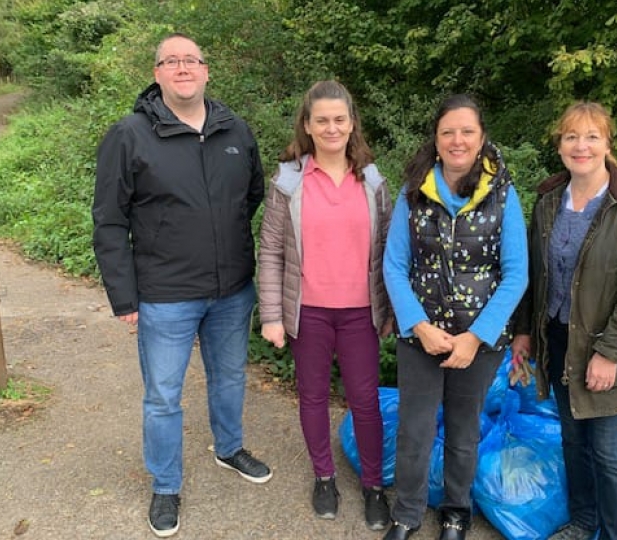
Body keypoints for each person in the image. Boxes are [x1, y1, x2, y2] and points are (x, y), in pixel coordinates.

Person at [92, 33, 270, 538]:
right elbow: (108, 220)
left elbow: (250, 195)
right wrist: (124, 296)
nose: (182, 68)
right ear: (157, 74)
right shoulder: (129, 135)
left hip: (232, 290)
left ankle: (229, 447)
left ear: (206, 70)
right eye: (171, 61)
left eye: (191, 60)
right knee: (163, 397)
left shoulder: (235, 129)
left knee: (230, 377)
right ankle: (166, 485)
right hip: (164, 295)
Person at [511, 101, 617, 540]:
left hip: (607, 348)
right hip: (558, 340)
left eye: (592, 137)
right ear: (559, 144)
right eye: (572, 136)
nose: (581, 146)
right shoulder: (548, 200)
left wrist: (609, 354)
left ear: (607, 145)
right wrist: (524, 331)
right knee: (573, 441)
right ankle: (582, 522)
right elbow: (534, 274)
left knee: (609, 453)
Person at [382, 94, 528, 540]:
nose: (457, 140)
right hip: (420, 337)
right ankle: (405, 514)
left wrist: (475, 337)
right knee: (414, 430)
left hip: (478, 342)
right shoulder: (414, 192)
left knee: (465, 431)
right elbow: (393, 265)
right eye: (448, 131)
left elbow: (517, 273)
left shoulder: (503, 196)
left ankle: (456, 512)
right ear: (436, 138)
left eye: (467, 131)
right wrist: (419, 326)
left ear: (482, 138)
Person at [257, 80, 392, 530]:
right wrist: (272, 315)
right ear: (308, 126)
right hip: (307, 312)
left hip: (360, 314)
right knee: (312, 397)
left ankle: (373, 486)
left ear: (352, 124)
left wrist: (392, 309)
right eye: (322, 121)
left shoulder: (372, 181)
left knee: (365, 401)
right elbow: (272, 249)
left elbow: (391, 251)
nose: (332, 128)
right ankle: (324, 477)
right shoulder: (288, 181)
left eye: (340, 119)